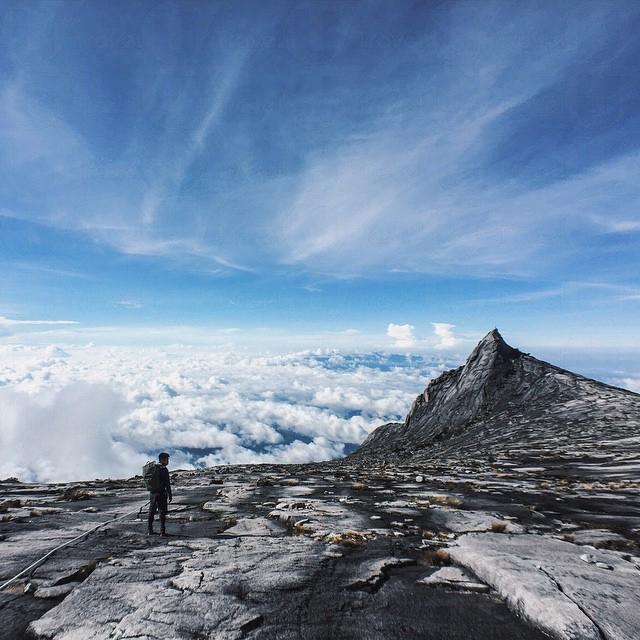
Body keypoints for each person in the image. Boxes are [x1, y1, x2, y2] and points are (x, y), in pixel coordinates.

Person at [147, 452, 172, 536]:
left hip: (152, 494)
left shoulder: (153, 468)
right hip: (161, 494)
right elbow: (167, 483)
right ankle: (162, 532)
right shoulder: (164, 469)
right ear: (162, 459)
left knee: (151, 512)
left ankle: (150, 530)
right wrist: (170, 494)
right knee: (162, 512)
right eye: (167, 459)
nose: (168, 461)